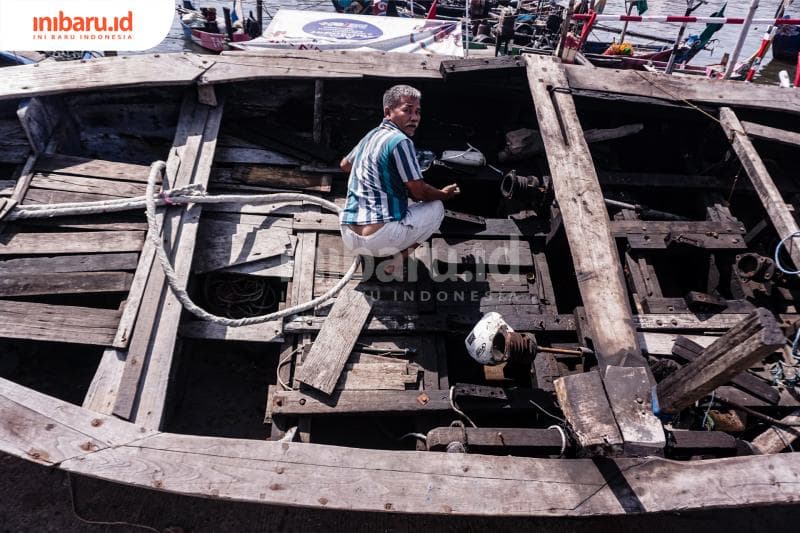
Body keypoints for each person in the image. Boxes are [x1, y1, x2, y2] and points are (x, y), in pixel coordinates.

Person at [339, 85, 459, 265]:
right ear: (388, 112)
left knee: (404, 200)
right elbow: (420, 192)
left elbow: (345, 165)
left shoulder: (371, 135)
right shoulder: (401, 141)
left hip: (348, 235)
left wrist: (379, 172)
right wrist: (445, 194)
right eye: (407, 110)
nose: (414, 118)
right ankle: (396, 261)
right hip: (378, 240)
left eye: (417, 112)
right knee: (436, 207)